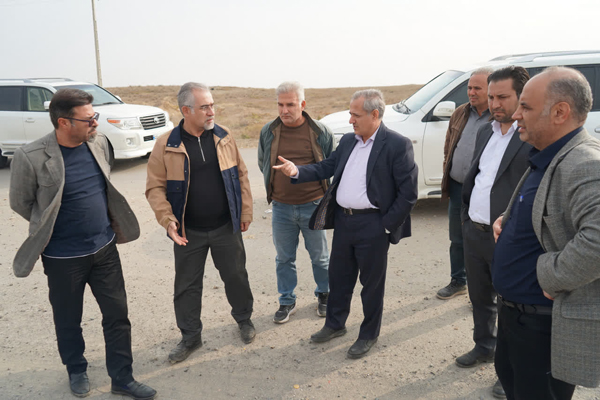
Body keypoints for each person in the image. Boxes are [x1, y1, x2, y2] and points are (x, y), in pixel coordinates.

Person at [9, 89, 156, 399]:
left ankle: (122, 378)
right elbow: (21, 202)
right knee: (68, 319)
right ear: (64, 122)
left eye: (95, 116)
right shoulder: (31, 156)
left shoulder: (97, 144)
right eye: (89, 119)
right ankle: (76, 370)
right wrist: (50, 225)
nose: (95, 123)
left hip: (105, 249)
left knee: (117, 316)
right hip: (63, 258)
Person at [273, 89, 418, 359]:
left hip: (373, 225)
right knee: (339, 278)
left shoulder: (397, 144)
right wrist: (297, 171)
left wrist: (386, 226)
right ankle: (335, 324)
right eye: (350, 114)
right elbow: (327, 166)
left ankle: (368, 334)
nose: (351, 120)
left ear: (375, 114)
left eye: (355, 115)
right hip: (344, 221)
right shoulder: (350, 140)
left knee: (371, 285)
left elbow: (408, 193)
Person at [492, 67, 600, 399]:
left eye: (525, 106)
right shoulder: (551, 154)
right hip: (516, 318)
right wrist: (509, 220)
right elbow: (547, 207)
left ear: (560, 112)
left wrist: (549, 276)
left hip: (543, 327)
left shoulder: (585, 162)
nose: (515, 114)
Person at [146, 82, 255, 364]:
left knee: (236, 276)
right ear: (186, 111)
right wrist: (168, 220)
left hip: (225, 226)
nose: (211, 111)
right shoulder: (166, 144)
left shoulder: (224, 136)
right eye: (204, 107)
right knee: (187, 286)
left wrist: (244, 212)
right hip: (188, 231)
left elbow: (241, 175)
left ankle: (244, 319)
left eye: (212, 105)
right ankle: (190, 336)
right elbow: (155, 188)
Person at [457, 66, 531, 399]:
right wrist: (466, 217)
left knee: (510, 306)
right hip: (474, 231)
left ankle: (509, 369)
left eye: (502, 97)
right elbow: (478, 177)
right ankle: (484, 345)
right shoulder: (485, 131)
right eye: (491, 97)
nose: (494, 103)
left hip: (506, 236)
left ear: (521, 96)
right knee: (480, 297)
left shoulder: (528, 136)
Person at [258, 81, 334, 323]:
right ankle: (286, 300)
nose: (284, 110)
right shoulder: (268, 131)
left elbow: (330, 164)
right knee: (284, 259)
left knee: (320, 258)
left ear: (302, 104)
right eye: (280, 105)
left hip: (313, 205)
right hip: (281, 208)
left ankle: (324, 295)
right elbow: (263, 162)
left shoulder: (320, 131)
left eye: (290, 105)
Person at [438, 67, 493, 300]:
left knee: (485, 239)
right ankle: (458, 281)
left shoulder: (499, 116)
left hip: (484, 190)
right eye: (470, 88)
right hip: (458, 186)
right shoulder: (460, 112)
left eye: (477, 88)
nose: (471, 92)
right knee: (457, 238)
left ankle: (485, 292)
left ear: (491, 89)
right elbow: (449, 146)